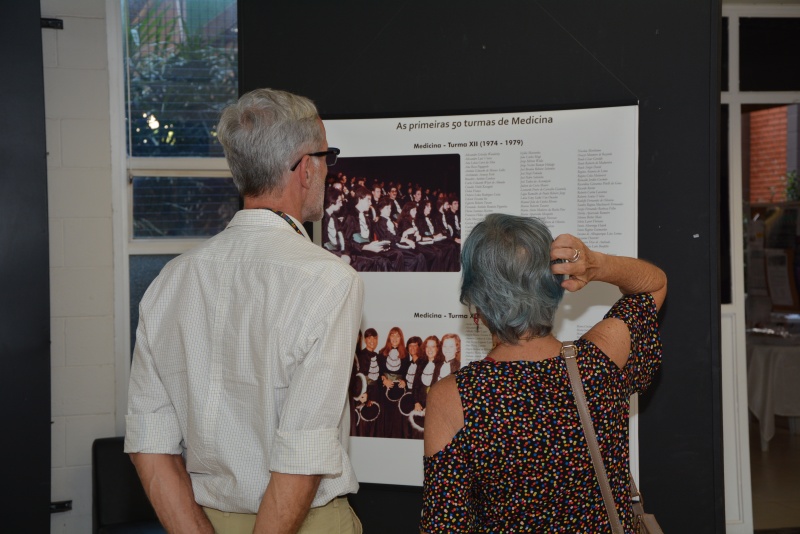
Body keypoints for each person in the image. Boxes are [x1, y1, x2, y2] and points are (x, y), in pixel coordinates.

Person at [125, 88, 364, 534]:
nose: (328, 168)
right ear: (305, 168)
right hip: (303, 523)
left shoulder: (171, 281)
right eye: (326, 155)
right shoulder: (328, 279)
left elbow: (149, 442)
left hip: (201, 521)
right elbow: (303, 452)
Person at [421, 213, 667, 533]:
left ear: (476, 303)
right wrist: (595, 264)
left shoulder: (453, 397)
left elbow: (443, 525)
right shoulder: (602, 360)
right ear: (554, 286)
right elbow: (655, 283)